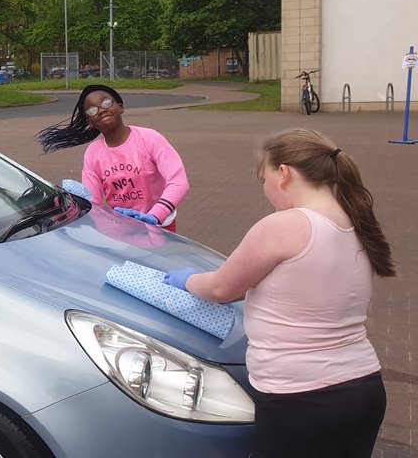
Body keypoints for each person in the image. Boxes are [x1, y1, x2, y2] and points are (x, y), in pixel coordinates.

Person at [163, 128, 393, 458]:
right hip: (364, 387)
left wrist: (186, 280)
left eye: (264, 179)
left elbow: (220, 288)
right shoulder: (354, 220)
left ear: (283, 173)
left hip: (302, 398)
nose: (266, 190)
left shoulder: (285, 226)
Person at [35, 84, 188, 231]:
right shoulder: (93, 152)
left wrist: (155, 215)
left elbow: (178, 182)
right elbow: (93, 200)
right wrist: (76, 203)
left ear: (120, 107)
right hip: (123, 228)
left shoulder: (149, 138)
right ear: (89, 122)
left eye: (106, 103)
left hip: (159, 226)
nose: (101, 110)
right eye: (92, 110)